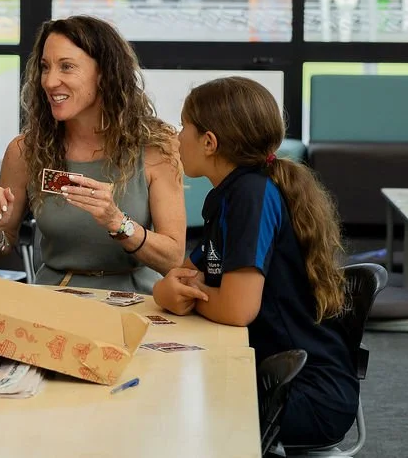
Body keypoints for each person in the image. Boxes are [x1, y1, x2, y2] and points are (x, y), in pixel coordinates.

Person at [153, 76, 357, 447]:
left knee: (165, 412)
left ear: (209, 142)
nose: (177, 136)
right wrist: (172, 289)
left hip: (301, 391)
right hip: (265, 373)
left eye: (184, 126)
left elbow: (237, 309)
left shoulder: (252, 195)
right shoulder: (229, 194)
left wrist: (181, 294)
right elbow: (185, 276)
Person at [0, 16, 186, 292]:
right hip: (55, 303)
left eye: (67, 67)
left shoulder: (156, 146)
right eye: (45, 67)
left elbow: (172, 258)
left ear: (104, 74)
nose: (49, 82)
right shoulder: (25, 151)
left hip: (136, 305)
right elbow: (0, 249)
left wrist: (118, 223)